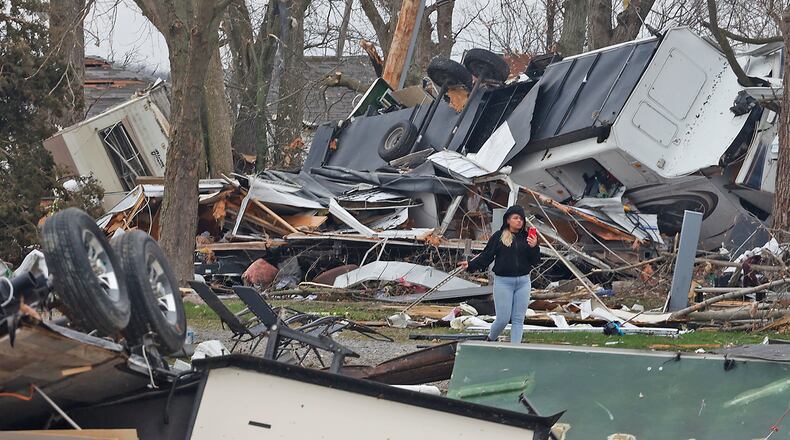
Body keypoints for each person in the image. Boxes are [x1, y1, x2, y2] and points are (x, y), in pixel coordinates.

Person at [458, 205, 540, 343]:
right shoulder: (499, 236)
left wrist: (534, 247)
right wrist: (471, 265)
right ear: (508, 220)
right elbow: (486, 256)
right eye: (515, 218)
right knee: (503, 318)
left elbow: (535, 261)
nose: (519, 221)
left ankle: (515, 349)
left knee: (518, 319)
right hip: (504, 282)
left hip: (523, 281)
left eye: (521, 218)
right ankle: (490, 339)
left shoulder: (527, 238)